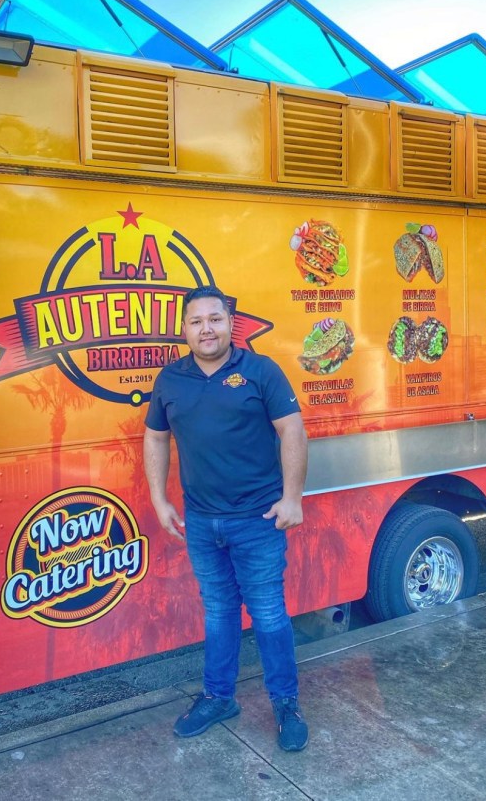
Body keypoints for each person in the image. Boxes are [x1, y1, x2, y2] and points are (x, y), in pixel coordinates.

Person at [143, 284, 309, 752]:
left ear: (230, 324)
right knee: (218, 612)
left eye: (214, 319)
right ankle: (218, 698)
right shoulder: (170, 379)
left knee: (269, 614)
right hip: (201, 522)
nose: (206, 329)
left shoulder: (260, 370)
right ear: (184, 330)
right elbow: (155, 438)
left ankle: (286, 705)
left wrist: (292, 497)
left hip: (257, 520)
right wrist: (159, 499)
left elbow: (291, 429)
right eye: (196, 322)